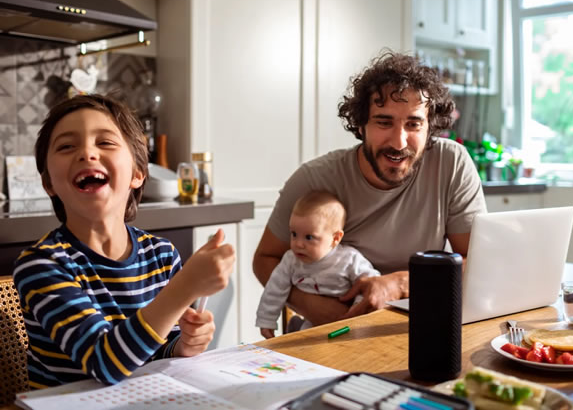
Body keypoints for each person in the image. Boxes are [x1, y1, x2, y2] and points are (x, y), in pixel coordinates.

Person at [13, 94, 235, 389]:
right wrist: (186, 287)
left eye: (105, 142)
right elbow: (104, 363)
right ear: (48, 183)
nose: (87, 153)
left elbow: (153, 352)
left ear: (138, 173)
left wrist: (182, 346)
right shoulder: (42, 264)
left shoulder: (162, 255)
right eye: (67, 146)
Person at [253, 51, 486, 328]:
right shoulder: (314, 179)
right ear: (361, 125)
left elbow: (479, 262)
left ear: (430, 127)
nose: (399, 142)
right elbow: (265, 259)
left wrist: (400, 283)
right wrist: (322, 311)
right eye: (384, 122)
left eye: (413, 124)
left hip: (422, 320)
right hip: (335, 329)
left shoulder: (451, 163)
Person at [255, 191, 379, 338]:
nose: (298, 244)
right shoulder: (291, 260)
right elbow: (275, 289)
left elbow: (372, 283)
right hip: (311, 323)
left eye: (309, 237)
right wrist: (266, 320)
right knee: (304, 344)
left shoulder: (349, 259)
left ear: (335, 238)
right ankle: (296, 327)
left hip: (349, 323)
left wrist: (356, 312)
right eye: (294, 234)